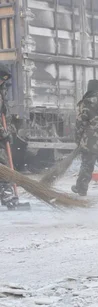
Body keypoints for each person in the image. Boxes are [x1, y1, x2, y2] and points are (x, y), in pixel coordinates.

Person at [0, 65, 20, 209]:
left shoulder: (2, 90)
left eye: (3, 79)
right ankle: (7, 196)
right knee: (3, 166)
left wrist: (8, 130)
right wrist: (3, 132)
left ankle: (7, 195)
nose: (1, 81)